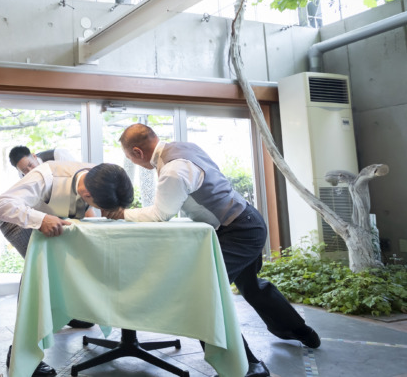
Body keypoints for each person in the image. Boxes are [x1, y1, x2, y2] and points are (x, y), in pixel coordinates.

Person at [104, 123, 321, 377]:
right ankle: (300, 331)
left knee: (203, 296)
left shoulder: (173, 169)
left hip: (239, 231)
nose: (132, 162)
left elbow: (160, 214)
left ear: (137, 152)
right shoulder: (184, 148)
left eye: (129, 157)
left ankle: (246, 367)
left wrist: (121, 214)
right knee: (251, 286)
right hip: (246, 221)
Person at [0, 161, 133, 377]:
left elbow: (88, 213)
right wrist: (41, 219)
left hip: (60, 220)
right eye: (102, 207)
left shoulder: (100, 177)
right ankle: (21, 351)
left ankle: (69, 312)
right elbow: (1, 206)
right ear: (87, 194)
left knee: (76, 267)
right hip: (21, 222)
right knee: (38, 275)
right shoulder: (45, 176)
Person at [3, 145, 77, 257]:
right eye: (24, 170)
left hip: (73, 201)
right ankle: (36, 261)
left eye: (30, 165)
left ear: (34, 156)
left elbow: (79, 181)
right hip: (51, 209)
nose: (30, 171)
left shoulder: (58, 155)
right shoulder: (23, 176)